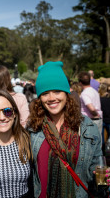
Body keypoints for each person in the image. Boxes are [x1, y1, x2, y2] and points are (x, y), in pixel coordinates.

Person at [28, 61, 103, 197]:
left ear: (66, 94)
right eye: (45, 93)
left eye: (57, 91)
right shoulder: (33, 129)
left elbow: (96, 169)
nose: (51, 98)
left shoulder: (88, 128)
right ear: (39, 98)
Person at [78, 71, 103, 135]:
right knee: (97, 143)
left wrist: (95, 114)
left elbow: (91, 108)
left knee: (88, 143)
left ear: (80, 83)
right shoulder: (95, 91)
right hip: (98, 120)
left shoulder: (85, 93)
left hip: (90, 121)